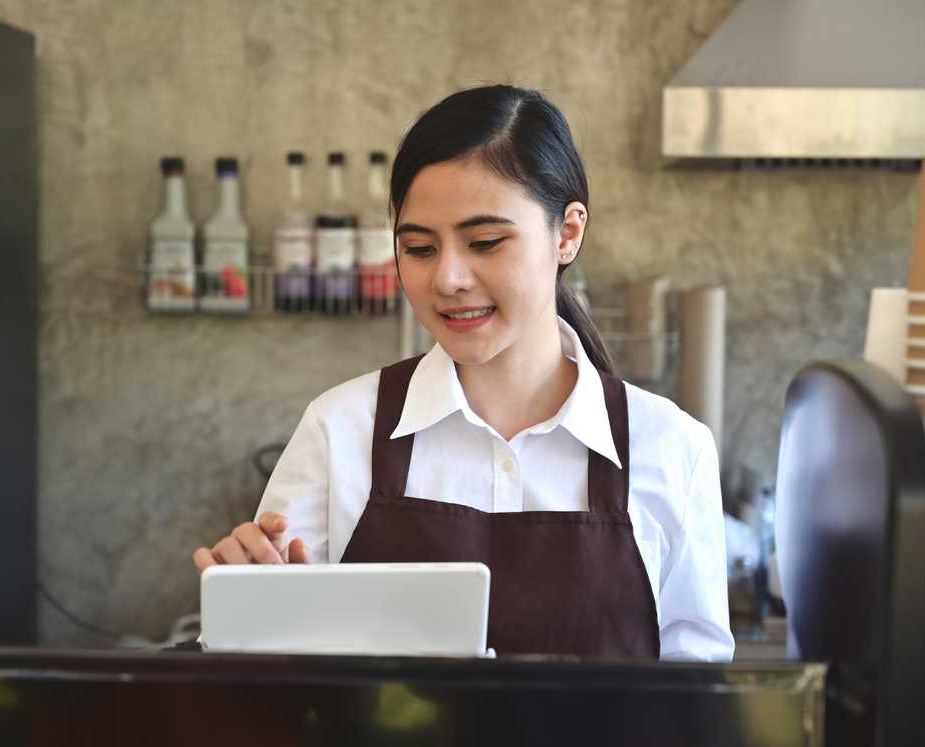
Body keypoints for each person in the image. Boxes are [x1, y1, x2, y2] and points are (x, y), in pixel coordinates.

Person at [193, 85, 734, 661]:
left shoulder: (672, 448)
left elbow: (698, 708)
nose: (447, 278)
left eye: (484, 242)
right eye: (421, 249)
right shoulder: (340, 430)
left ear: (568, 234)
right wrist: (247, 616)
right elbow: (270, 690)